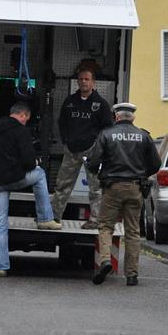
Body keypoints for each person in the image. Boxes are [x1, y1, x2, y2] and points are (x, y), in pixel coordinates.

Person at [85, 102, 161, 286]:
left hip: (112, 187)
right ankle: (132, 274)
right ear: (132, 117)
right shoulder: (144, 136)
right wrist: (141, 173)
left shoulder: (106, 134)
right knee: (133, 231)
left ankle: (104, 261)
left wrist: (96, 170)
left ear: (116, 116)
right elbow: (155, 164)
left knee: (105, 226)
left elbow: (93, 161)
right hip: (135, 187)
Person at [0, 101, 62, 277]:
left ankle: (0, 267)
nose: (26, 122)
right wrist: (35, 162)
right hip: (15, 178)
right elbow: (28, 161)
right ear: (23, 115)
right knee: (40, 174)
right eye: (26, 119)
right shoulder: (21, 131)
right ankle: (45, 218)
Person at [51, 63, 113, 230]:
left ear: (93, 83)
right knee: (62, 185)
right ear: (77, 82)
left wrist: (99, 148)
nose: (84, 82)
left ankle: (95, 220)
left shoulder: (101, 104)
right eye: (81, 79)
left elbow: (107, 128)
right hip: (71, 151)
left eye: (87, 79)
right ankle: (54, 217)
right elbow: (61, 122)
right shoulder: (70, 102)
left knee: (95, 188)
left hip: (92, 152)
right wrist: (65, 141)